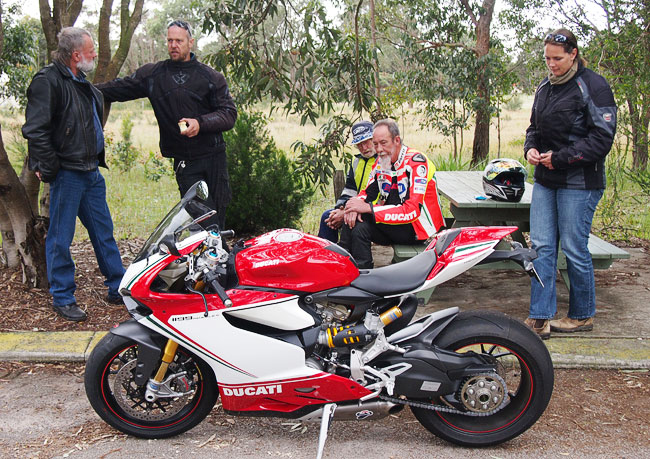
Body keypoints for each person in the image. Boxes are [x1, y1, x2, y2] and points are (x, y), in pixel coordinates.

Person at [22, 27, 125, 322]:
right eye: (91, 49)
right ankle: (63, 297)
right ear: (76, 55)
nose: (95, 54)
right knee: (60, 238)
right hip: (67, 174)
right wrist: (48, 165)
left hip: (91, 172)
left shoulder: (83, 84)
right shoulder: (48, 80)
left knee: (104, 233)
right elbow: (35, 129)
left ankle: (118, 288)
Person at [96, 20, 237, 229]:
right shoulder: (153, 75)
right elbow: (117, 89)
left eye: (179, 40)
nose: (173, 45)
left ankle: (218, 260)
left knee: (218, 218)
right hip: (185, 162)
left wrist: (199, 123)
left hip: (214, 157)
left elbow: (229, 114)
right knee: (202, 221)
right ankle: (213, 258)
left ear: (191, 42)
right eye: (170, 40)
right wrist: (81, 89)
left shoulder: (211, 77)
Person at [524, 28, 617, 339]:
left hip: (579, 182)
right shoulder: (544, 88)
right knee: (540, 247)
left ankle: (581, 315)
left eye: (558, 59)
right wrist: (531, 149)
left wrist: (560, 158)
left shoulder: (594, 86)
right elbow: (533, 128)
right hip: (546, 180)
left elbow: (602, 139)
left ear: (574, 54)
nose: (552, 64)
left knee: (575, 248)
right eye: (547, 58)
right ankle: (540, 316)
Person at [339, 119, 445, 268]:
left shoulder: (416, 162)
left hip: (418, 230)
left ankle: (357, 272)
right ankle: (352, 271)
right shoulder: (382, 161)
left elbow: (412, 211)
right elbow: (366, 192)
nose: (379, 149)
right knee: (354, 222)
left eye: (383, 143)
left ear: (396, 140)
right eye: (375, 144)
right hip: (394, 225)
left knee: (360, 219)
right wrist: (352, 207)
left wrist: (368, 208)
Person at [318, 121, 377, 243]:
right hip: (354, 207)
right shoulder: (356, 162)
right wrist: (340, 209)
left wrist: (347, 212)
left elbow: (379, 196)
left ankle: (346, 259)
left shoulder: (384, 161)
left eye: (366, 142)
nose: (364, 148)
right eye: (359, 144)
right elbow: (349, 190)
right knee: (328, 217)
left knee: (350, 222)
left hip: (373, 211)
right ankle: (326, 258)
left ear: (374, 138)